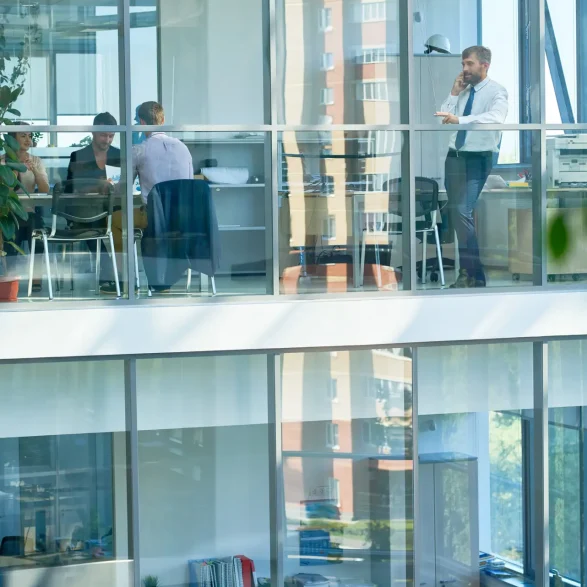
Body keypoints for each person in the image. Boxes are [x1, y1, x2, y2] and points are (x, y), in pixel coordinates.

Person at [434, 45, 508, 288]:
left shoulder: (497, 91)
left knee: (462, 211)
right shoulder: (464, 91)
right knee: (456, 214)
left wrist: (462, 120)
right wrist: (454, 93)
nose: (464, 69)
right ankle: (472, 275)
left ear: (484, 65)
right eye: (462, 64)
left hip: (479, 158)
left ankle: (472, 274)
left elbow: (496, 118)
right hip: (455, 156)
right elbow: (446, 116)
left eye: (469, 64)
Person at [103, 101, 194, 294]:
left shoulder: (139, 150)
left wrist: (111, 186)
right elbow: (189, 184)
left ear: (142, 122)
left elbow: (123, 189)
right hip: (182, 216)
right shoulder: (182, 148)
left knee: (115, 222)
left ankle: (125, 279)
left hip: (154, 216)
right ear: (163, 120)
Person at [66, 112, 121, 290]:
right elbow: (71, 190)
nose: (107, 140)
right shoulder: (79, 156)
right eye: (103, 135)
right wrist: (98, 186)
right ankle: (111, 276)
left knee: (120, 225)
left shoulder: (120, 155)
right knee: (92, 226)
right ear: (93, 132)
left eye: (111, 136)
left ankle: (116, 275)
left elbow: (128, 185)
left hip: (112, 210)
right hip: (84, 212)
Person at [4, 122, 50, 292]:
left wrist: (36, 172)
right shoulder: (2, 162)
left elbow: (45, 190)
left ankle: (36, 280)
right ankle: (10, 281)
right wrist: (15, 170)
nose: (27, 139)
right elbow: (5, 191)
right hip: (8, 214)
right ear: (12, 139)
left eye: (29, 136)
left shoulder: (36, 160)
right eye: (23, 135)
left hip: (29, 213)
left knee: (37, 228)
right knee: (10, 236)